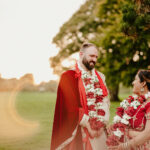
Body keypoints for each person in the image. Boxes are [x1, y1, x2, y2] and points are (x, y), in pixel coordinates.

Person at [50, 43, 110, 150]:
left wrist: (101, 123)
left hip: (99, 131)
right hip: (78, 130)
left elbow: (105, 101)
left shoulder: (100, 77)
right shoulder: (68, 77)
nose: (94, 60)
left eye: (96, 57)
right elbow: (70, 107)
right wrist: (88, 125)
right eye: (91, 56)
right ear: (81, 54)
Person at [108, 70, 150, 150]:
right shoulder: (134, 101)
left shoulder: (149, 103)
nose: (133, 83)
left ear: (143, 83)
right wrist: (114, 127)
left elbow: (148, 133)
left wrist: (125, 146)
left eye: (135, 79)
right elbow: (126, 124)